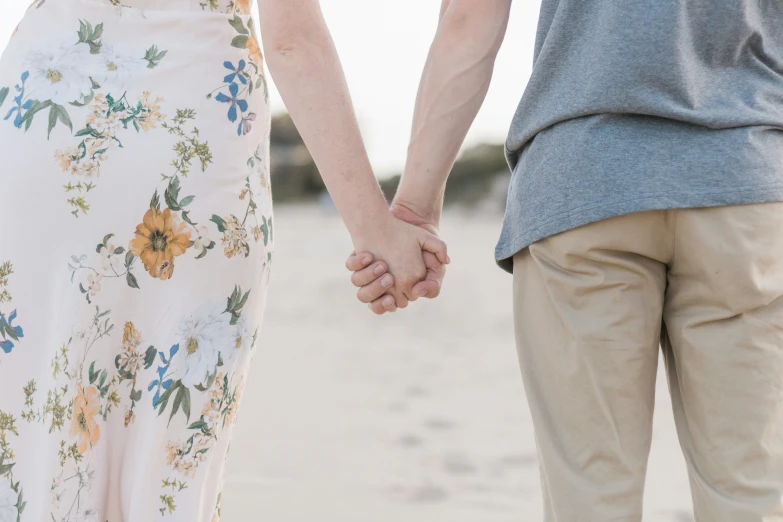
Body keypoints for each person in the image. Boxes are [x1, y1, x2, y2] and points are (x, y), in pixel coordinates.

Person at [0, 0, 447, 520]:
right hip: (190, 135)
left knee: (36, 436)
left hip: (37, 125)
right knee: (170, 459)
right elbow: (291, 39)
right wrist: (375, 230)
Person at [350, 0, 783, 520]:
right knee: (754, 490)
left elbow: (469, 18)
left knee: (590, 494)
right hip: (746, 183)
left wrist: (415, 208)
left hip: (581, 184)